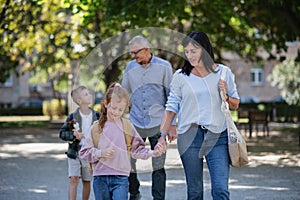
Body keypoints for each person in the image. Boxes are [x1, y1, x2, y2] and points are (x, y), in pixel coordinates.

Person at [158, 31, 240, 200]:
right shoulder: (180, 76)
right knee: (194, 191)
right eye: (186, 52)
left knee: (220, 189)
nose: (190, 55)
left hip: (218, 136)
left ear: (204, 49)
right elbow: (171, 107)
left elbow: (235, 104)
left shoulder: (223, 72)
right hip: (189, 137)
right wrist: (162, 135)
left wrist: (224, 95)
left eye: (193, 51)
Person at [79, 83, 165, 200]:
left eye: (120, 109)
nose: (116, 112)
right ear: (106, 103)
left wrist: (152, 153)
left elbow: (137, 149)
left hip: (121, 178)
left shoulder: (127, 126)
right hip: (100, 178)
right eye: (113, 108)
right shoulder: (96, 128)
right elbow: (84, 152)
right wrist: (100, 153)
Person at [121, 35, 176, 200]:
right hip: (135, 122)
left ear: (146, 50)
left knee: (158, 165)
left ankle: (158, 198)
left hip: (159, 124)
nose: (133, 57)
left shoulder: (165, 67)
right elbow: (124, 94)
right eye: (131, 53)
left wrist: (172, 124)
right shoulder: (129, 68)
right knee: (128, 161)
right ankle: (134, 192)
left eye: (135, 52)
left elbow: (171, 97)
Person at [59, 85, 100, 200]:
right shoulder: (73, 117)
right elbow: (62, 133)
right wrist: (73, 135)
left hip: (89, 153)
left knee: (87, 181)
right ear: (79, 101)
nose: (90, 95)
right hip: (74, 153)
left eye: (89, 93)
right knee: (74, 179)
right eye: (86, 94)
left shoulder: (97, 116)